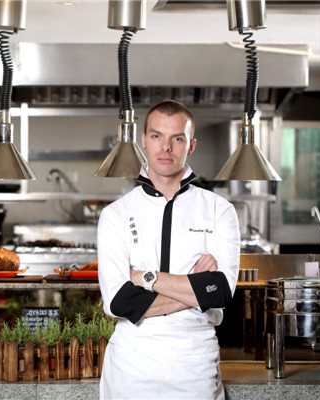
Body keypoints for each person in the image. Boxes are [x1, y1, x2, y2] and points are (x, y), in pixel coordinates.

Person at [98, 100, 240, 399]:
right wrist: (193, 287)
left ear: (191, 146)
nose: (166, 148)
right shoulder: (116, 214)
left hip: (195, 362)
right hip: (131, 363)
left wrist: (144, 278)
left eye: (177, 138)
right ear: (143, 141)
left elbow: (220, 292)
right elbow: (119, 302)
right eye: (157, 136)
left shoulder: (219, 210)